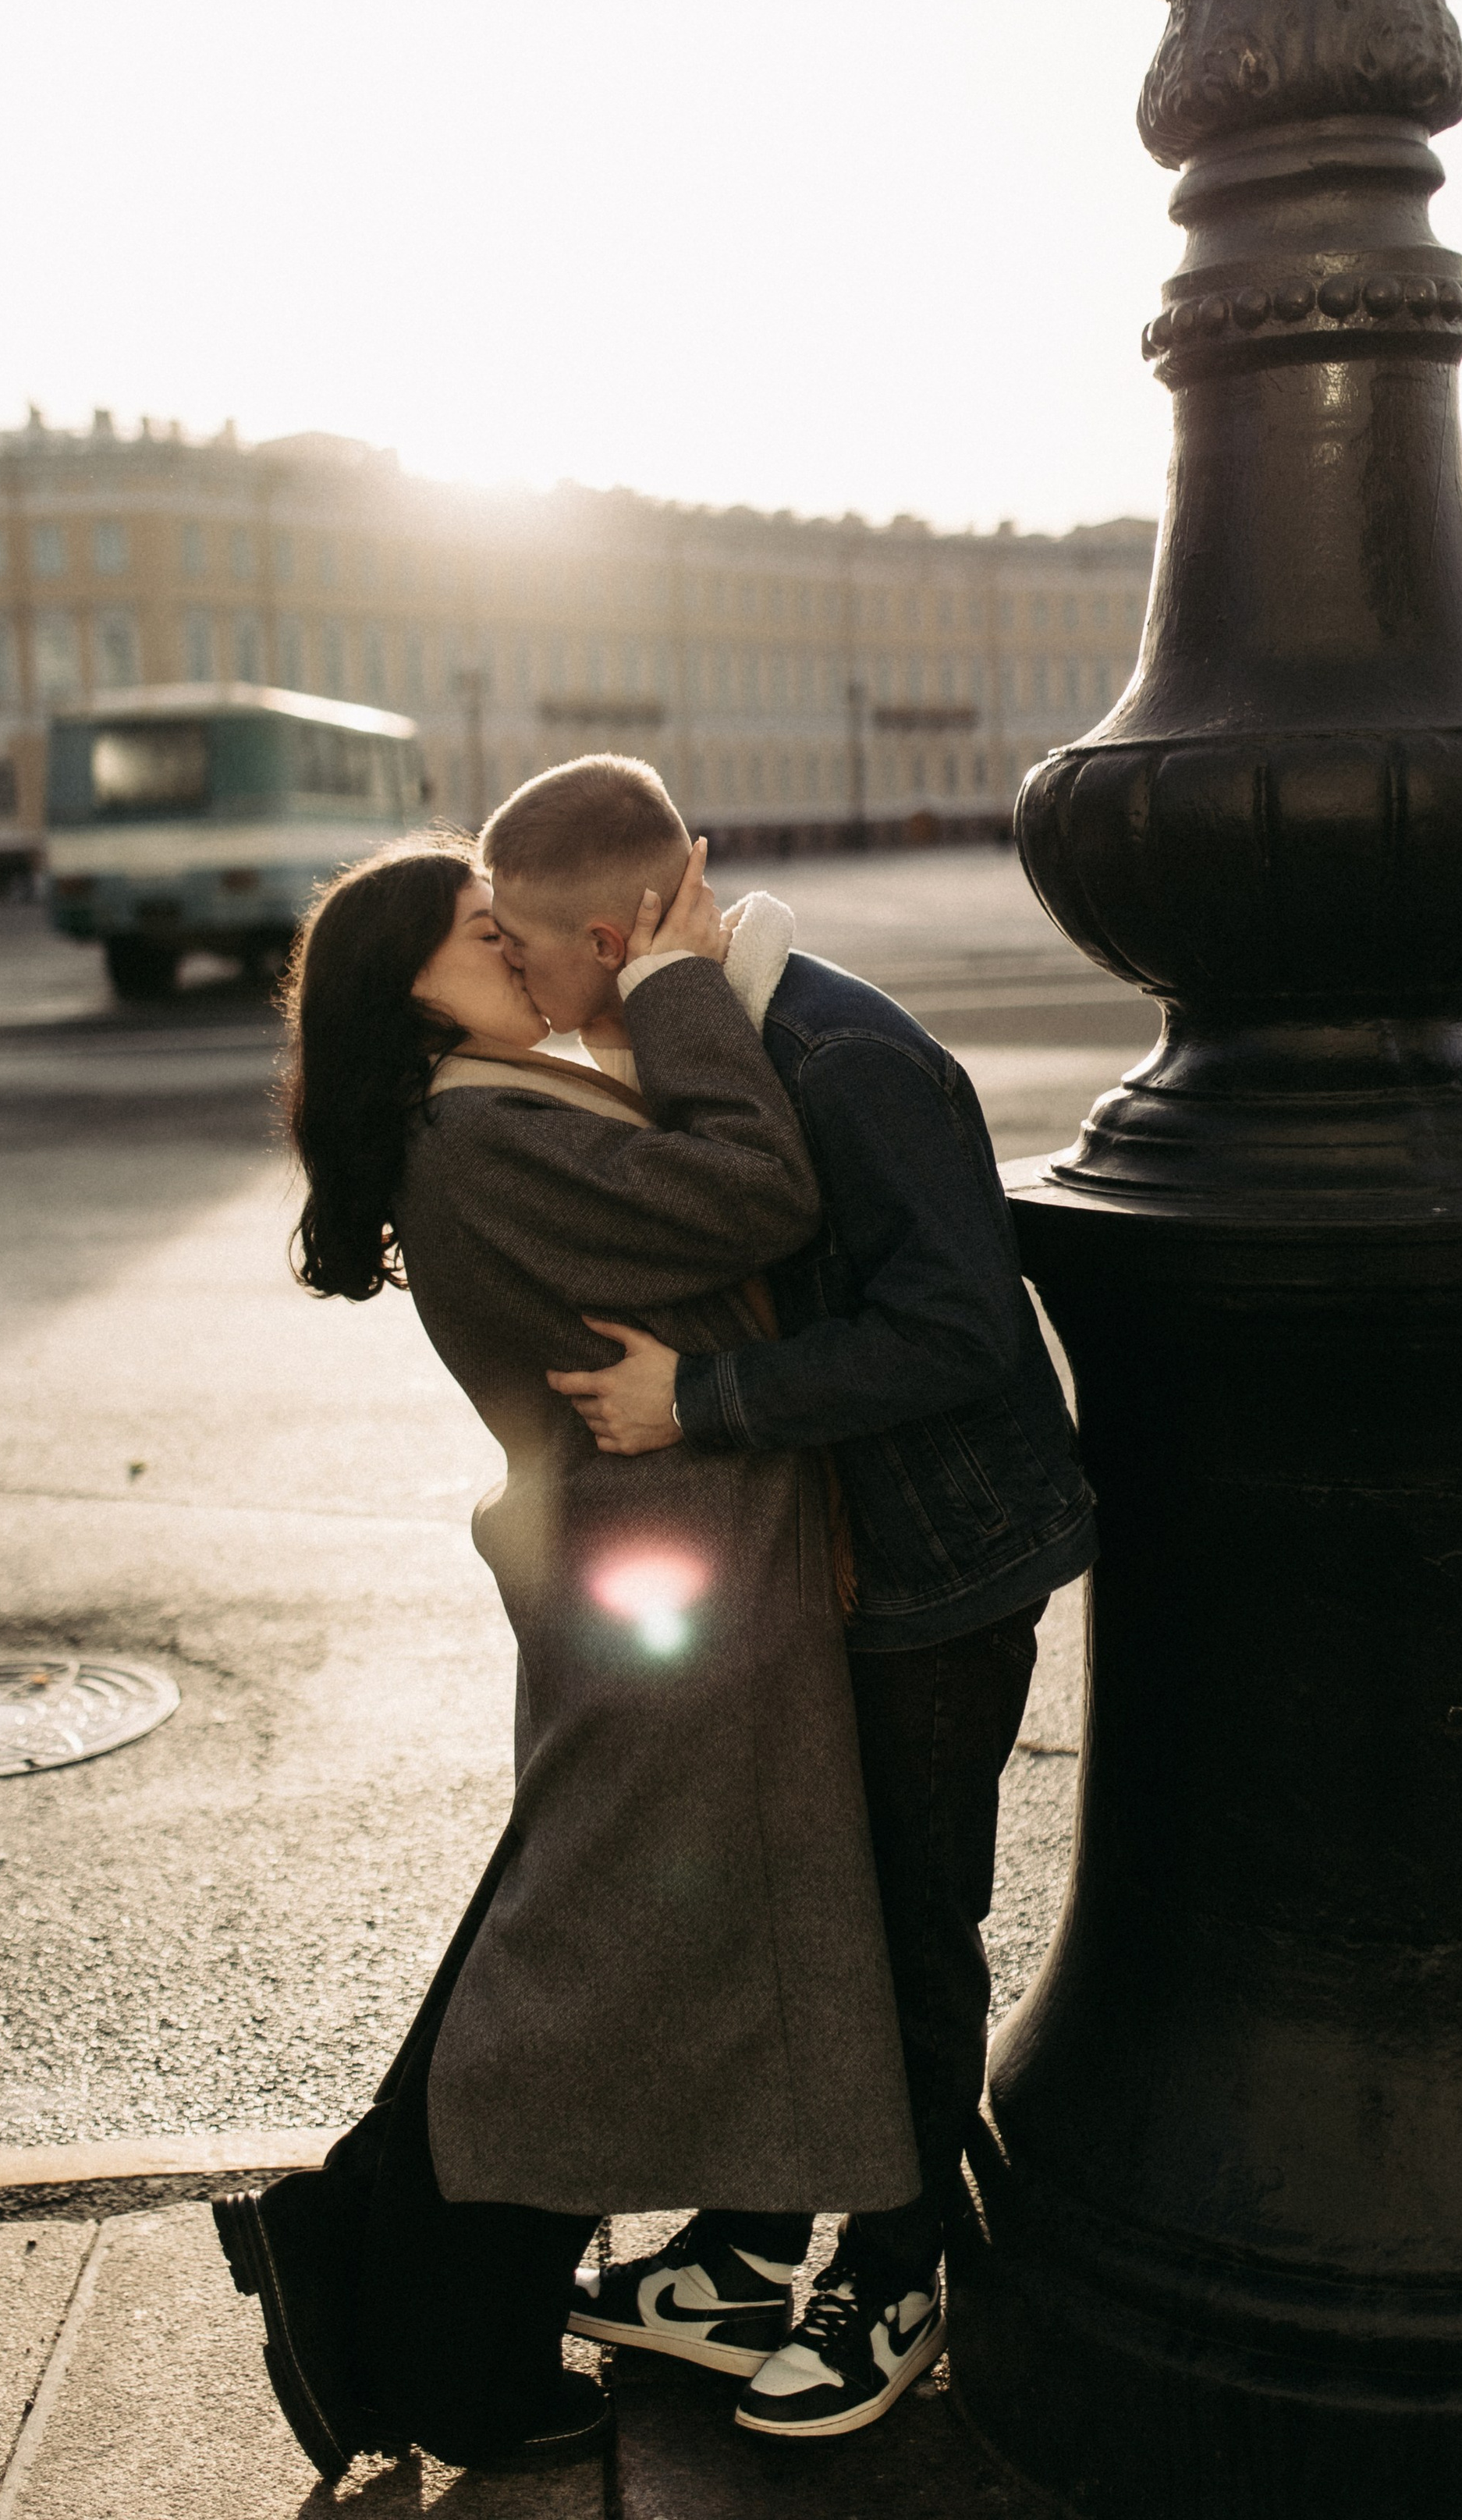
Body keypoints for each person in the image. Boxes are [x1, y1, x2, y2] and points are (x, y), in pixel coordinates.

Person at [215, 828, 918, 2482]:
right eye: (482, 937)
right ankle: (447, 2346)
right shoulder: (480, 1132)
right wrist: (671, 988)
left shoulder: (487, 1109)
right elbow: (757, 1186)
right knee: (573, 1982)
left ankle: (353, 2250)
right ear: (415, 998)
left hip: (655, 1578)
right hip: (672, 1590)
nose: (521, 953)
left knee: (564, 1939)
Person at [479, 754, 1095, 2443]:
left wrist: (702, 1405)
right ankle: (752, 2255)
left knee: (903, 1924)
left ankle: (895, 2275)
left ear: (607, 935)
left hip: (936, 1564)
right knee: (798, 1908)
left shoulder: (843, 1053)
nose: (522, 996)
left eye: (527, 960)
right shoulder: (702, 1034)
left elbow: (961, 1331)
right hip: (833, 1554)